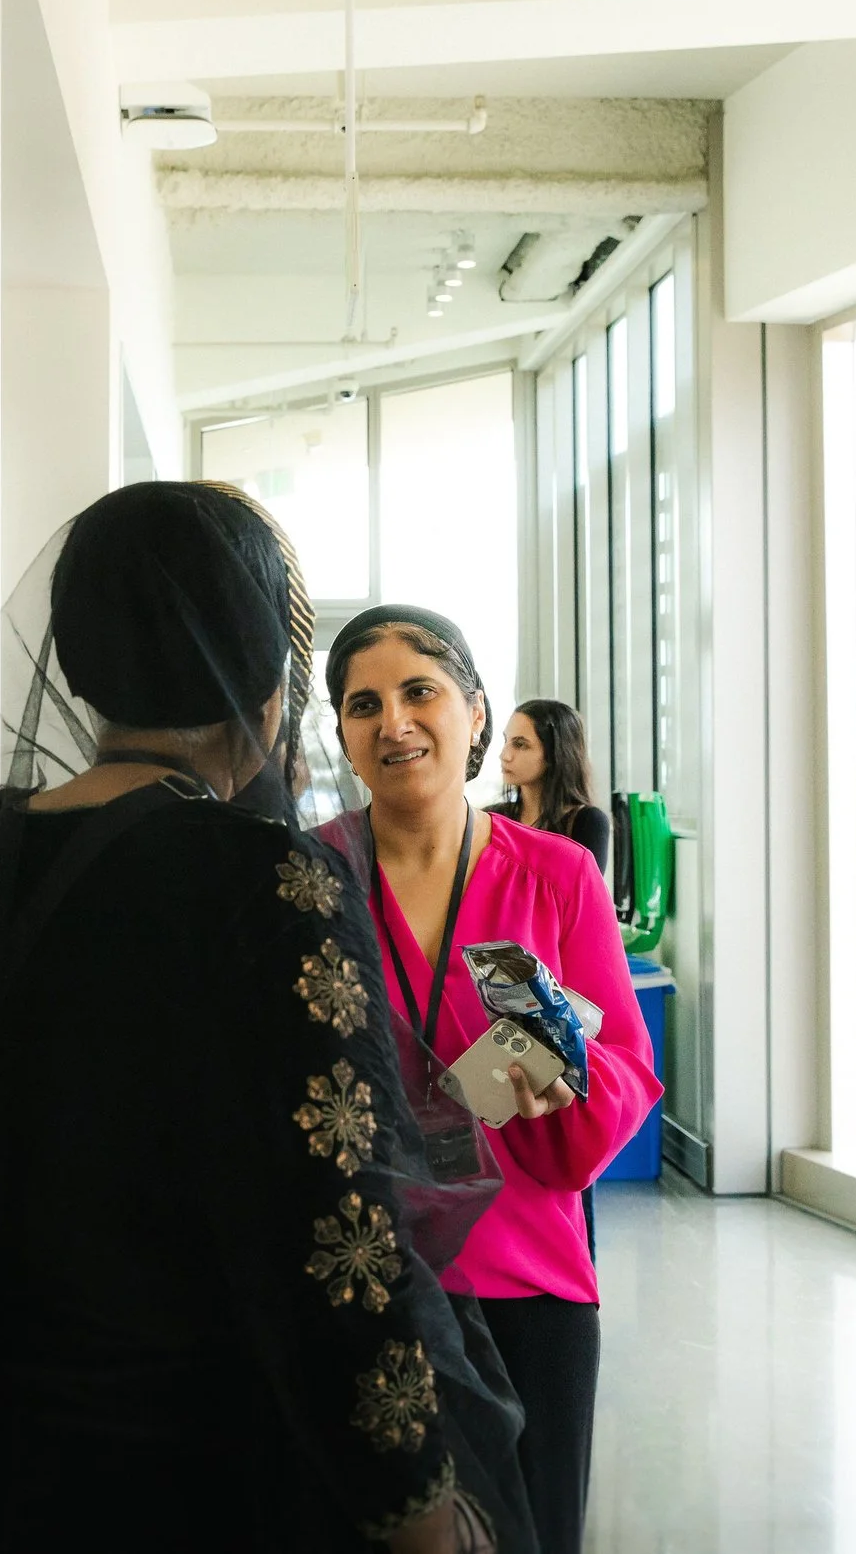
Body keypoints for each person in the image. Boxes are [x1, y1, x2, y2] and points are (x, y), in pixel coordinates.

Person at [0, 485, 533, 1553]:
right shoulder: (272, 879)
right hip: (203, 1469)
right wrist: (414, 1500)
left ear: (76, 665)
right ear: (267, 677)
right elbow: (344, 1241)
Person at [318, 605, 661, 1554]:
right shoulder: (311, 875)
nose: (394, 721)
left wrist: (576, 1080)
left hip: (527, 1283)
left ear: (475, 712)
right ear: (341, 733)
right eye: (363, 703)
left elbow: (629, 1063)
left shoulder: (557, 874)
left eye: (419, 690)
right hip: (366, 1284)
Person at [492, 700, 611, 881]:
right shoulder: (493, 818)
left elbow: (583, 898)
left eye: (520, 744)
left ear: (555, 753)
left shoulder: (587, 823)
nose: (504, 755)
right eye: (506, 741)